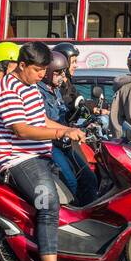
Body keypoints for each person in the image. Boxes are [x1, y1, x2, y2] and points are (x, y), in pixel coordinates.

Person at [0, 41, 87, 261]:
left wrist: (67, 130)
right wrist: (59, 133)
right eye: (37, 69)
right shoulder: (9, 89)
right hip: (17, 158)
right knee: (49, 205)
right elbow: (21, 129)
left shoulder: (30, 87)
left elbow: (39, 120)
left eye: (45, 69)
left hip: (38, 156)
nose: (42, 74)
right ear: (22, 65)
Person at [39, 49, 97, 207]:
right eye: (58, 73)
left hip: (64, 141)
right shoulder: (39, 92)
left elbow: (64, 115)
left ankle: (89, 216)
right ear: (47, 73)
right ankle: (70, 216)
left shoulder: (56, 90)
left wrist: (83, 120)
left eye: (63, 72)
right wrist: (66, 130)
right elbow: (44, 121)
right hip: (51, 144)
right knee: (69, 182)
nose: (62, 77)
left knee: (89, 177)